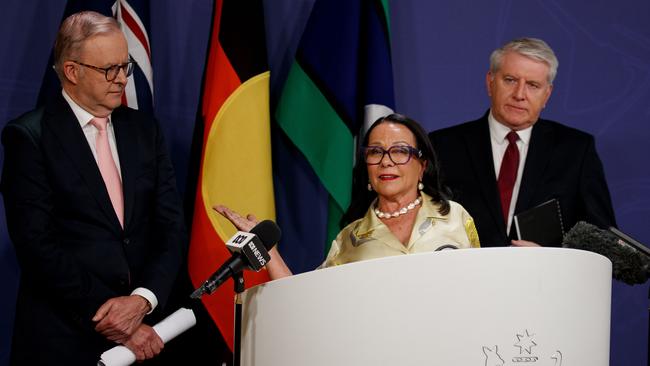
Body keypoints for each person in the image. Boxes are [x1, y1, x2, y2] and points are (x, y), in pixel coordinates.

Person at [1, 11, 186, 365]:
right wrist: (118, 320)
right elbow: (37, 245)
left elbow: (171, 226)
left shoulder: (145, 130)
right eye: (109, 70)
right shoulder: (29, 137)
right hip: (65, 340)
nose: (121, 80)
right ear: (72, 71)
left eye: (125, 66)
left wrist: (143, 300)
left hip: (147, 333)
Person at [216, 113, 480, 279]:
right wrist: (269, 252)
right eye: (376, 152)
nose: (386, 162)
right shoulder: (348, 240)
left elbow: (482, 288)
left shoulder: (456, 217)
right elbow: (310, 307)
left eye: (400, 151)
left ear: (422, 166)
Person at [428, 37, 616, 247]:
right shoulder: (443, 146)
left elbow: (602, 238)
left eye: (533, 85)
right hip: (465, 276)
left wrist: (552, 257)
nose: (519, 94)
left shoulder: (576, 150)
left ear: (547, 95)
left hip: (545, 278)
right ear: (490, 82)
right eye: (510, 80)